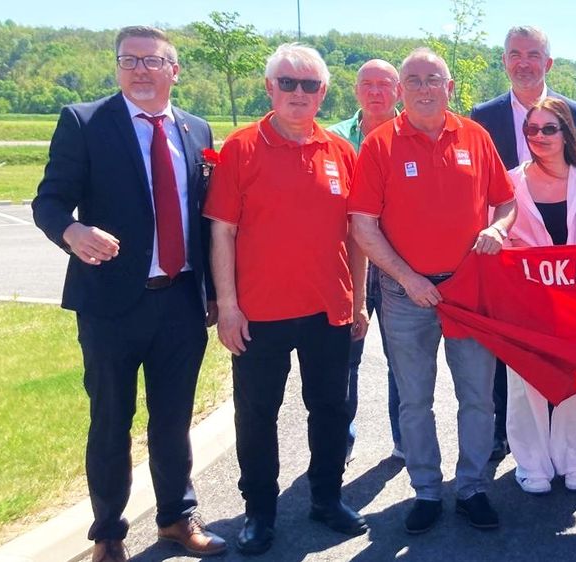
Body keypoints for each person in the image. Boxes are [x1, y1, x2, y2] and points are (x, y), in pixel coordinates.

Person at [31, 25, 226, 562]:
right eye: (129, 60)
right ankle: (109, 533)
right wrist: (71, 233)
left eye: (152, 61)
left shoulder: (195, 127)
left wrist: (212, 290)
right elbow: (48, 202)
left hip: (180, 302)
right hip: (111, 304)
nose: (140, 70)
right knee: (111, 420)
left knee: (173, 420)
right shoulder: (85, 121)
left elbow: (202, 219)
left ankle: (175, 519)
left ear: (174, 70)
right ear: (117, 68)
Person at [204, 43, 369, 555]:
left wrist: (359, 300)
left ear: (324, 92)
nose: (299, 93)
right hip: (259, 314)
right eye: (289, 83)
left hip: (329, 309)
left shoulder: (342, 152)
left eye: (310, 85)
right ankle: (260, 510)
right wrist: (228, 307)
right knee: (257, 416)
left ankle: (326, 497)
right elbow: (222, 233)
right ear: (269, 87)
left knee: (330, 409)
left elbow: (355, 236)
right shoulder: (241, 147)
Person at [349, 47, 517, 534]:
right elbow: (363, 224)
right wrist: (407, 278)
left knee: (478, 398)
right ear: (402, 90)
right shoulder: (381, 144)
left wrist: (499, 230)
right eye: (415, 80)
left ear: (450, 87)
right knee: (414, 400)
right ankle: (426, 489)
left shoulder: (475, 136)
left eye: (434, 79)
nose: (425, 87)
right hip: (406, 295)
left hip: (468, 292)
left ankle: (472, 487)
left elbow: (506, 204)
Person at [470, 25, 576, 460]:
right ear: (504, 60)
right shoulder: (481, 116)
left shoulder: (575, 112)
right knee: (517, 368)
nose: (524, 62)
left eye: (533, 54)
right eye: (515, 54)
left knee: (571, 365)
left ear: (549, 62)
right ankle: (520, 447)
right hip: (514, 269)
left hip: (572, 277)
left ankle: (574, 453)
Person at [505, 98, 576, 495]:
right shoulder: (510, 182)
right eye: (533, 130)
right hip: (524, 303)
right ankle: (531, 464)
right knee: (525, 383)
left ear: (566, 133)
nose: (540, 137)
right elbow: (500, 235)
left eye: (550, 129)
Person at [326, 58, 404, 462]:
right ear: (356, 90)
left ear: (399, 91)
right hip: (346, 261)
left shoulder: (410, 135)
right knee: (346, 355)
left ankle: (405, 440)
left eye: (384, 84)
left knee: (402, 355)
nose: (375, 92)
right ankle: (342, 438)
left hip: (397, 261)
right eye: (367, 84)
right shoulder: (333, 139)